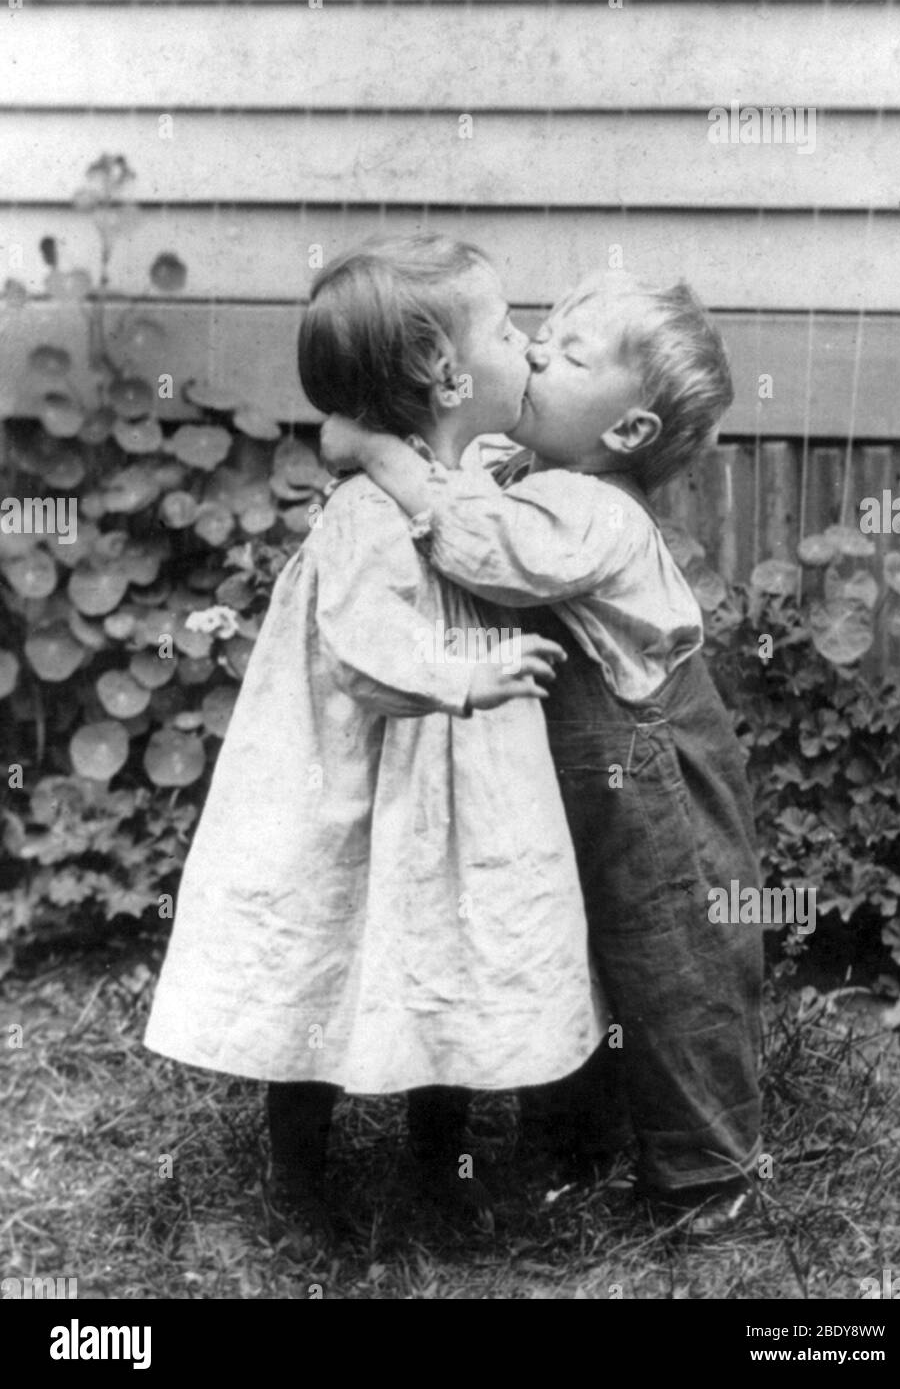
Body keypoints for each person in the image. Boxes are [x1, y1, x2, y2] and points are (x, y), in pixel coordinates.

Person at [143, 236, 604, 1233]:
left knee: (446, 948)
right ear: (445, 372)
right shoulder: (363, 515)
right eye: (507, 329)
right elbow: (362, 647)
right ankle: (301, 1180)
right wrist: (464, 674)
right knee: (324, 947)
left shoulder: (464, 471)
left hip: (454, 786)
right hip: (355, 774)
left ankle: (444, 1171)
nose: (523, 345)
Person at [321, 270, 764, 1237]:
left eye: (566, 355)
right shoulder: (530, 471)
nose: (531, 353)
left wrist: (380, 456)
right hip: (584, 764)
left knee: (670, 956)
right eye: (538, 334)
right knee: (578, 943)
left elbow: (480, 548)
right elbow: (473, 475)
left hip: (652, 768)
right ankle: (582, 1136)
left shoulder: (597, 511)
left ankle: (707, 1169)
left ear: (629, 434)